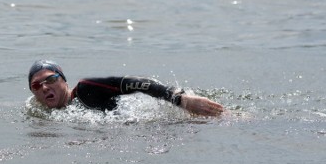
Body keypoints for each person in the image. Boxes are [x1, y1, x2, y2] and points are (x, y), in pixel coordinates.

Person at [27, 59, 224, 117]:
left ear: (63, 80)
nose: (44, 87)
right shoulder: (45, 116)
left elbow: (135, 83)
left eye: (50, 79)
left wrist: (183, 100)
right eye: (36, 85)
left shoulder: (86, 89)